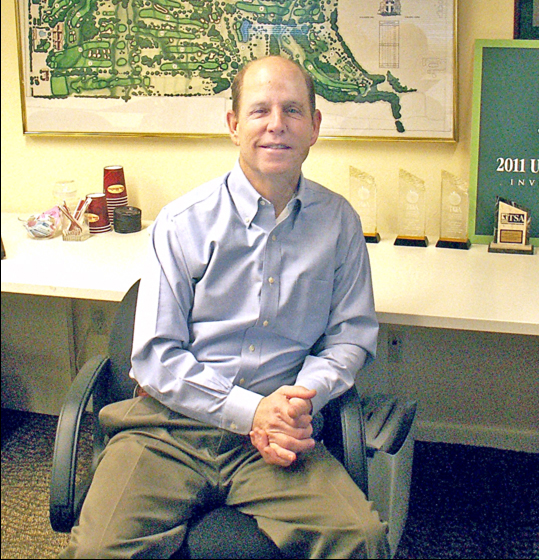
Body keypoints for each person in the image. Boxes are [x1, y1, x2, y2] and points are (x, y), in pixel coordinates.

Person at [60, 56, 389, 559]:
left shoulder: (338, 222)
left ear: (315, 127)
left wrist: (298, 401)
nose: (276, 124)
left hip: (278, 437)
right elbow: (155, 359)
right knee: (97, 550)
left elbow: (350, 338)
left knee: (360, 539)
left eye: (293, 110)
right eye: (260, 110)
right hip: (168, 427)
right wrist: (250, 410)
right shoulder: (182, 223)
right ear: (234, 125)